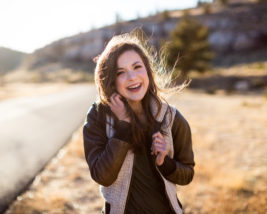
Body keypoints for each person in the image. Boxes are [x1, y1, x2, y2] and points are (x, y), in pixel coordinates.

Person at [83, 30, 195, 214]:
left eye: (137, 67)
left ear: (148, 71)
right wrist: (123, 125)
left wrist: (164, 162)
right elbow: (102, 175)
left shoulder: (171, 118)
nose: (132, 77)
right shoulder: (98, 116)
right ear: (111, 80)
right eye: (121, 72)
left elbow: (187, 175)